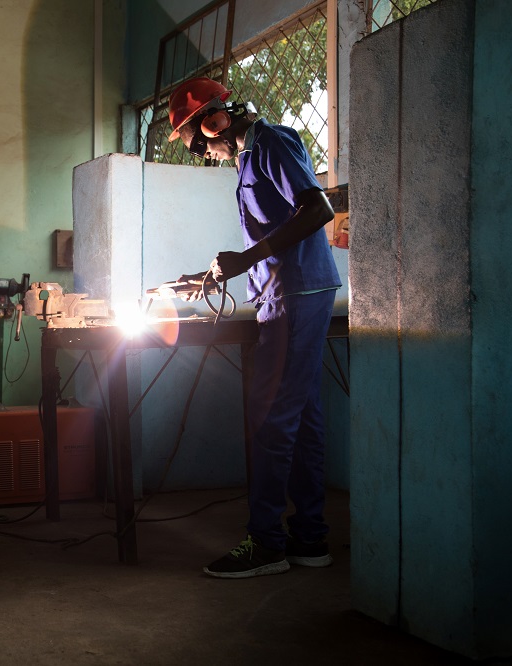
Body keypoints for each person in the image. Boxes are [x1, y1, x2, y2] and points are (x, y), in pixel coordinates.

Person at [164, 77, 341, 578]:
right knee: (302, 419)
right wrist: (214, 274)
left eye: (199, 143)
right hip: (285, 293)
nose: (204, 153)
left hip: (296, 293)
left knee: (270, 420)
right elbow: (268, 235)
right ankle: (310, 539)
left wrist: (247, 259)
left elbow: (318, 209)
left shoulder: (272, 143)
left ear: (214, 120)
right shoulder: (249, 158)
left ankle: (266, 544)